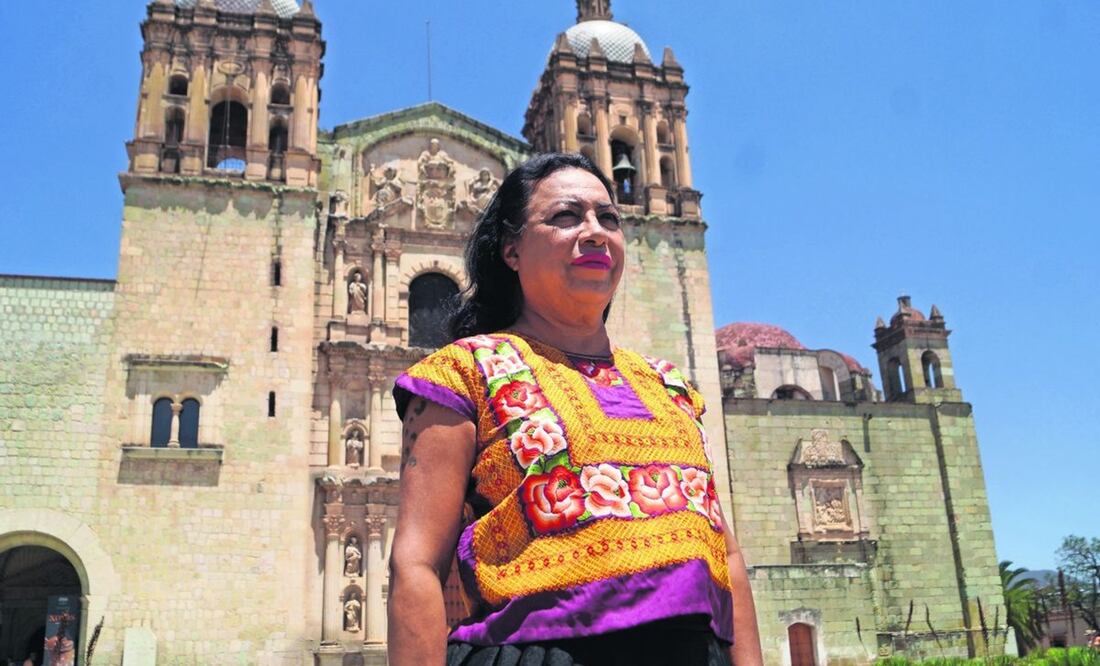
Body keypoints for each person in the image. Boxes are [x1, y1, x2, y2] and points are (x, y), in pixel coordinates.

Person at [387, 153, 763, 665]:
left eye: (608, 218)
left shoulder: (670, 386)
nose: (595, 232)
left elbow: (727, 558)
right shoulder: (462, 372)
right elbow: (415, 566)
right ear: (511, 249)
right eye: (566, 216)